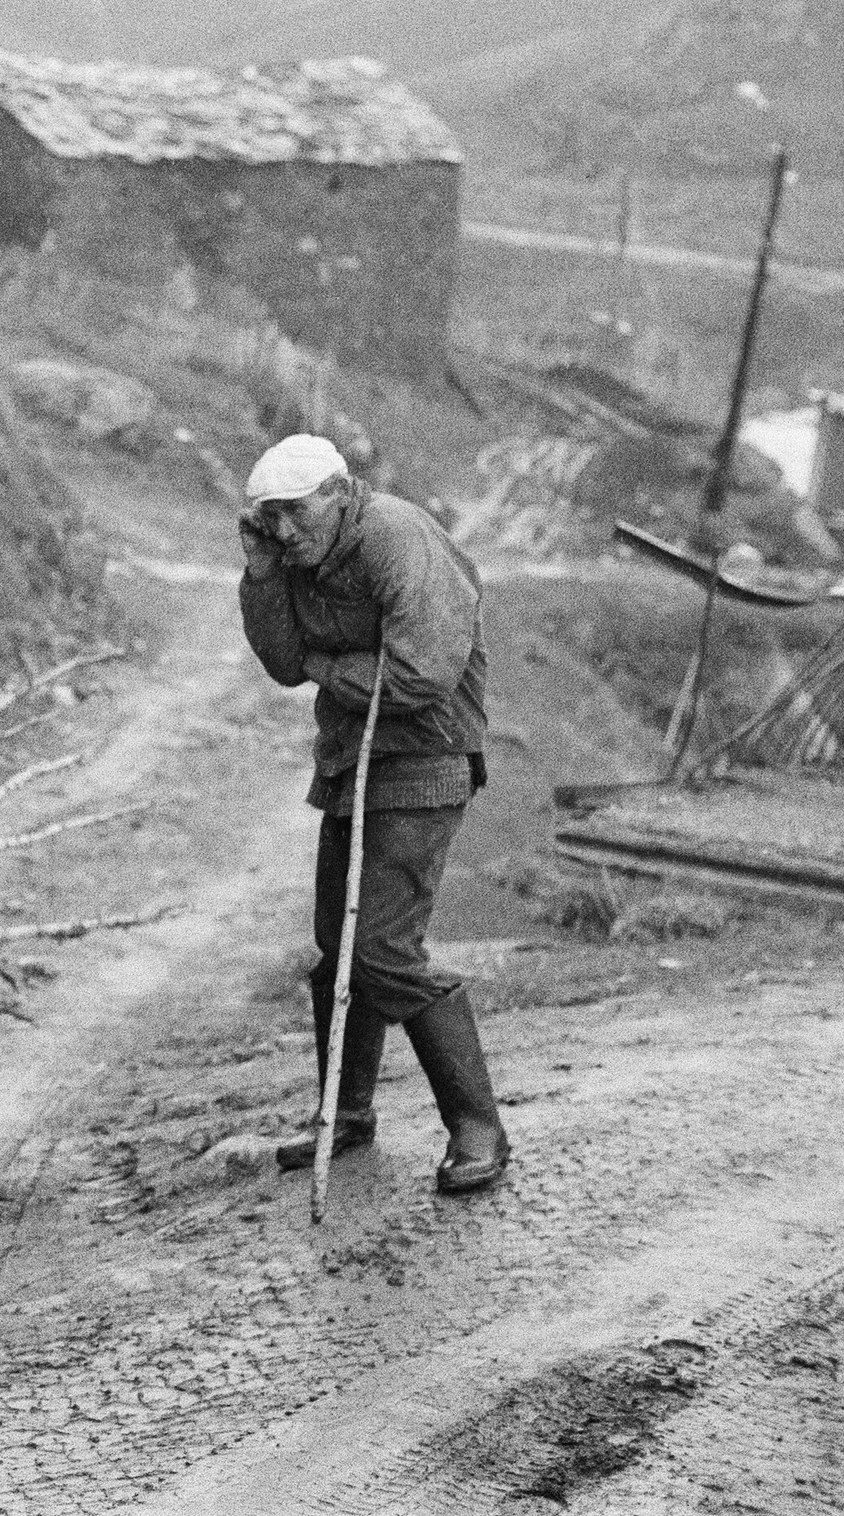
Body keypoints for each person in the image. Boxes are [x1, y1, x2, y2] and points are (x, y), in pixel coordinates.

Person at [236, 433, 511, 1195]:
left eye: (295, 512)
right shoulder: (291, 555)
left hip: (425, 755)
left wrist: (324, 666)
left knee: (383, 946)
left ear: (339, 492)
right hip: (350, 758)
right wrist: (262, 576)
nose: (284, 530)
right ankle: (346, 1113)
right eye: (269, 517)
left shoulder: (396, 537)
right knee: (339, 947)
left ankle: (479, 1127)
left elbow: (422, 673)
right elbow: (283, 661)